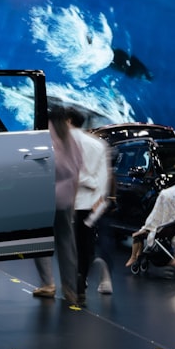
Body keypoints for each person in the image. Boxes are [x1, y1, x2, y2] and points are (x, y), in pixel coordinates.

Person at [32, 107, 83, 305]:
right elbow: (78, 170)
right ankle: (70, 289)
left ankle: (48, 284)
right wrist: (73, 199)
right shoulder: (73, 139)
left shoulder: (43, 136)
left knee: (40, 241)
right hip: (67, 199)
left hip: (44, 198)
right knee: (67, 244)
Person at [67, 108, 112, 304]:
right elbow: (104, 178)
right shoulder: (98, 144)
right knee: (85, 246)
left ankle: (72, 282)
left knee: (68, 246)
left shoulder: (61, 144)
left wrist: (85, 180)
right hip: (88, 205)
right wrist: (98, 205)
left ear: (68, 121)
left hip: (66, 203)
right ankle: (81, 281)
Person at [125, 179, 175, 268]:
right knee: (143, 232)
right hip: (171, 228)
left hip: (163, 229)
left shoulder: (168, 204)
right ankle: (137, 257)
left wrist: (149, 227)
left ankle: (134, 258)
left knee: (137, 235)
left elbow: (156, 218)